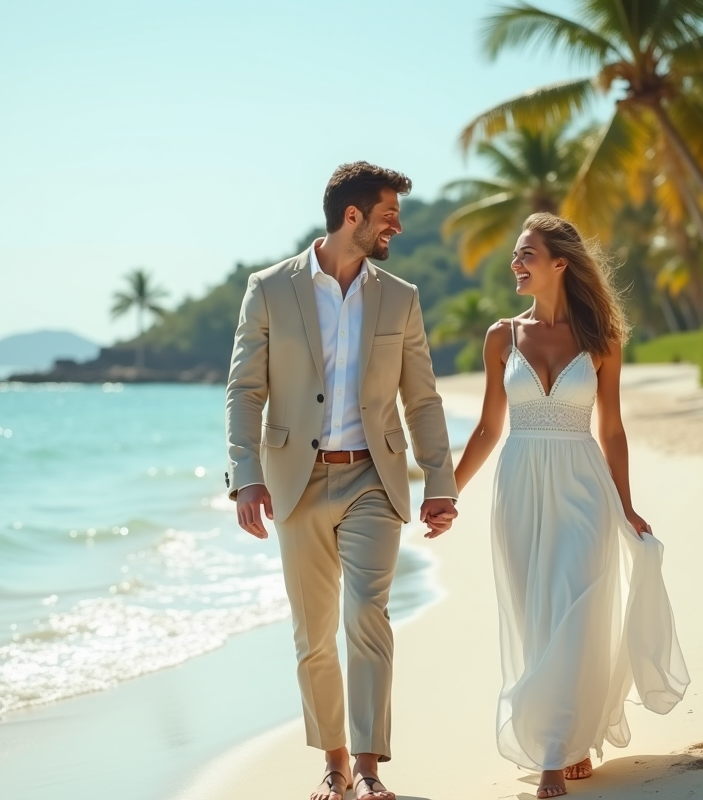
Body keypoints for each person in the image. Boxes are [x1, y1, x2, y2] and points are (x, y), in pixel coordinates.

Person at [225, 162, 458, 800]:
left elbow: (423, 398)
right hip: (296, 483)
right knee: (313, 634)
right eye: (389, 215)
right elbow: (245, 390)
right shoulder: (269, 289)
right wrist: (245, 477)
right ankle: (333, 765)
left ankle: (369, 769)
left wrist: (441, 480)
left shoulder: (400, 297)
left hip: (373, 482)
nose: (398, 227)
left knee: (367, 615)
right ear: (351, 217)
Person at [452, 213, 689, 798]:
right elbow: (487, 428)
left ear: (560, 262)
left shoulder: (602, 339)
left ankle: (555, 752)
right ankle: (567, 734)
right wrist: (446, 491)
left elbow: (612, 430)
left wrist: (626, 505)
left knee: (579, 606)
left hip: (584, 483)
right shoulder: (501, 336)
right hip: (520, 483)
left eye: (526, 253)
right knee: (538, 611)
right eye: (515, 254)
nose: (516, 264)